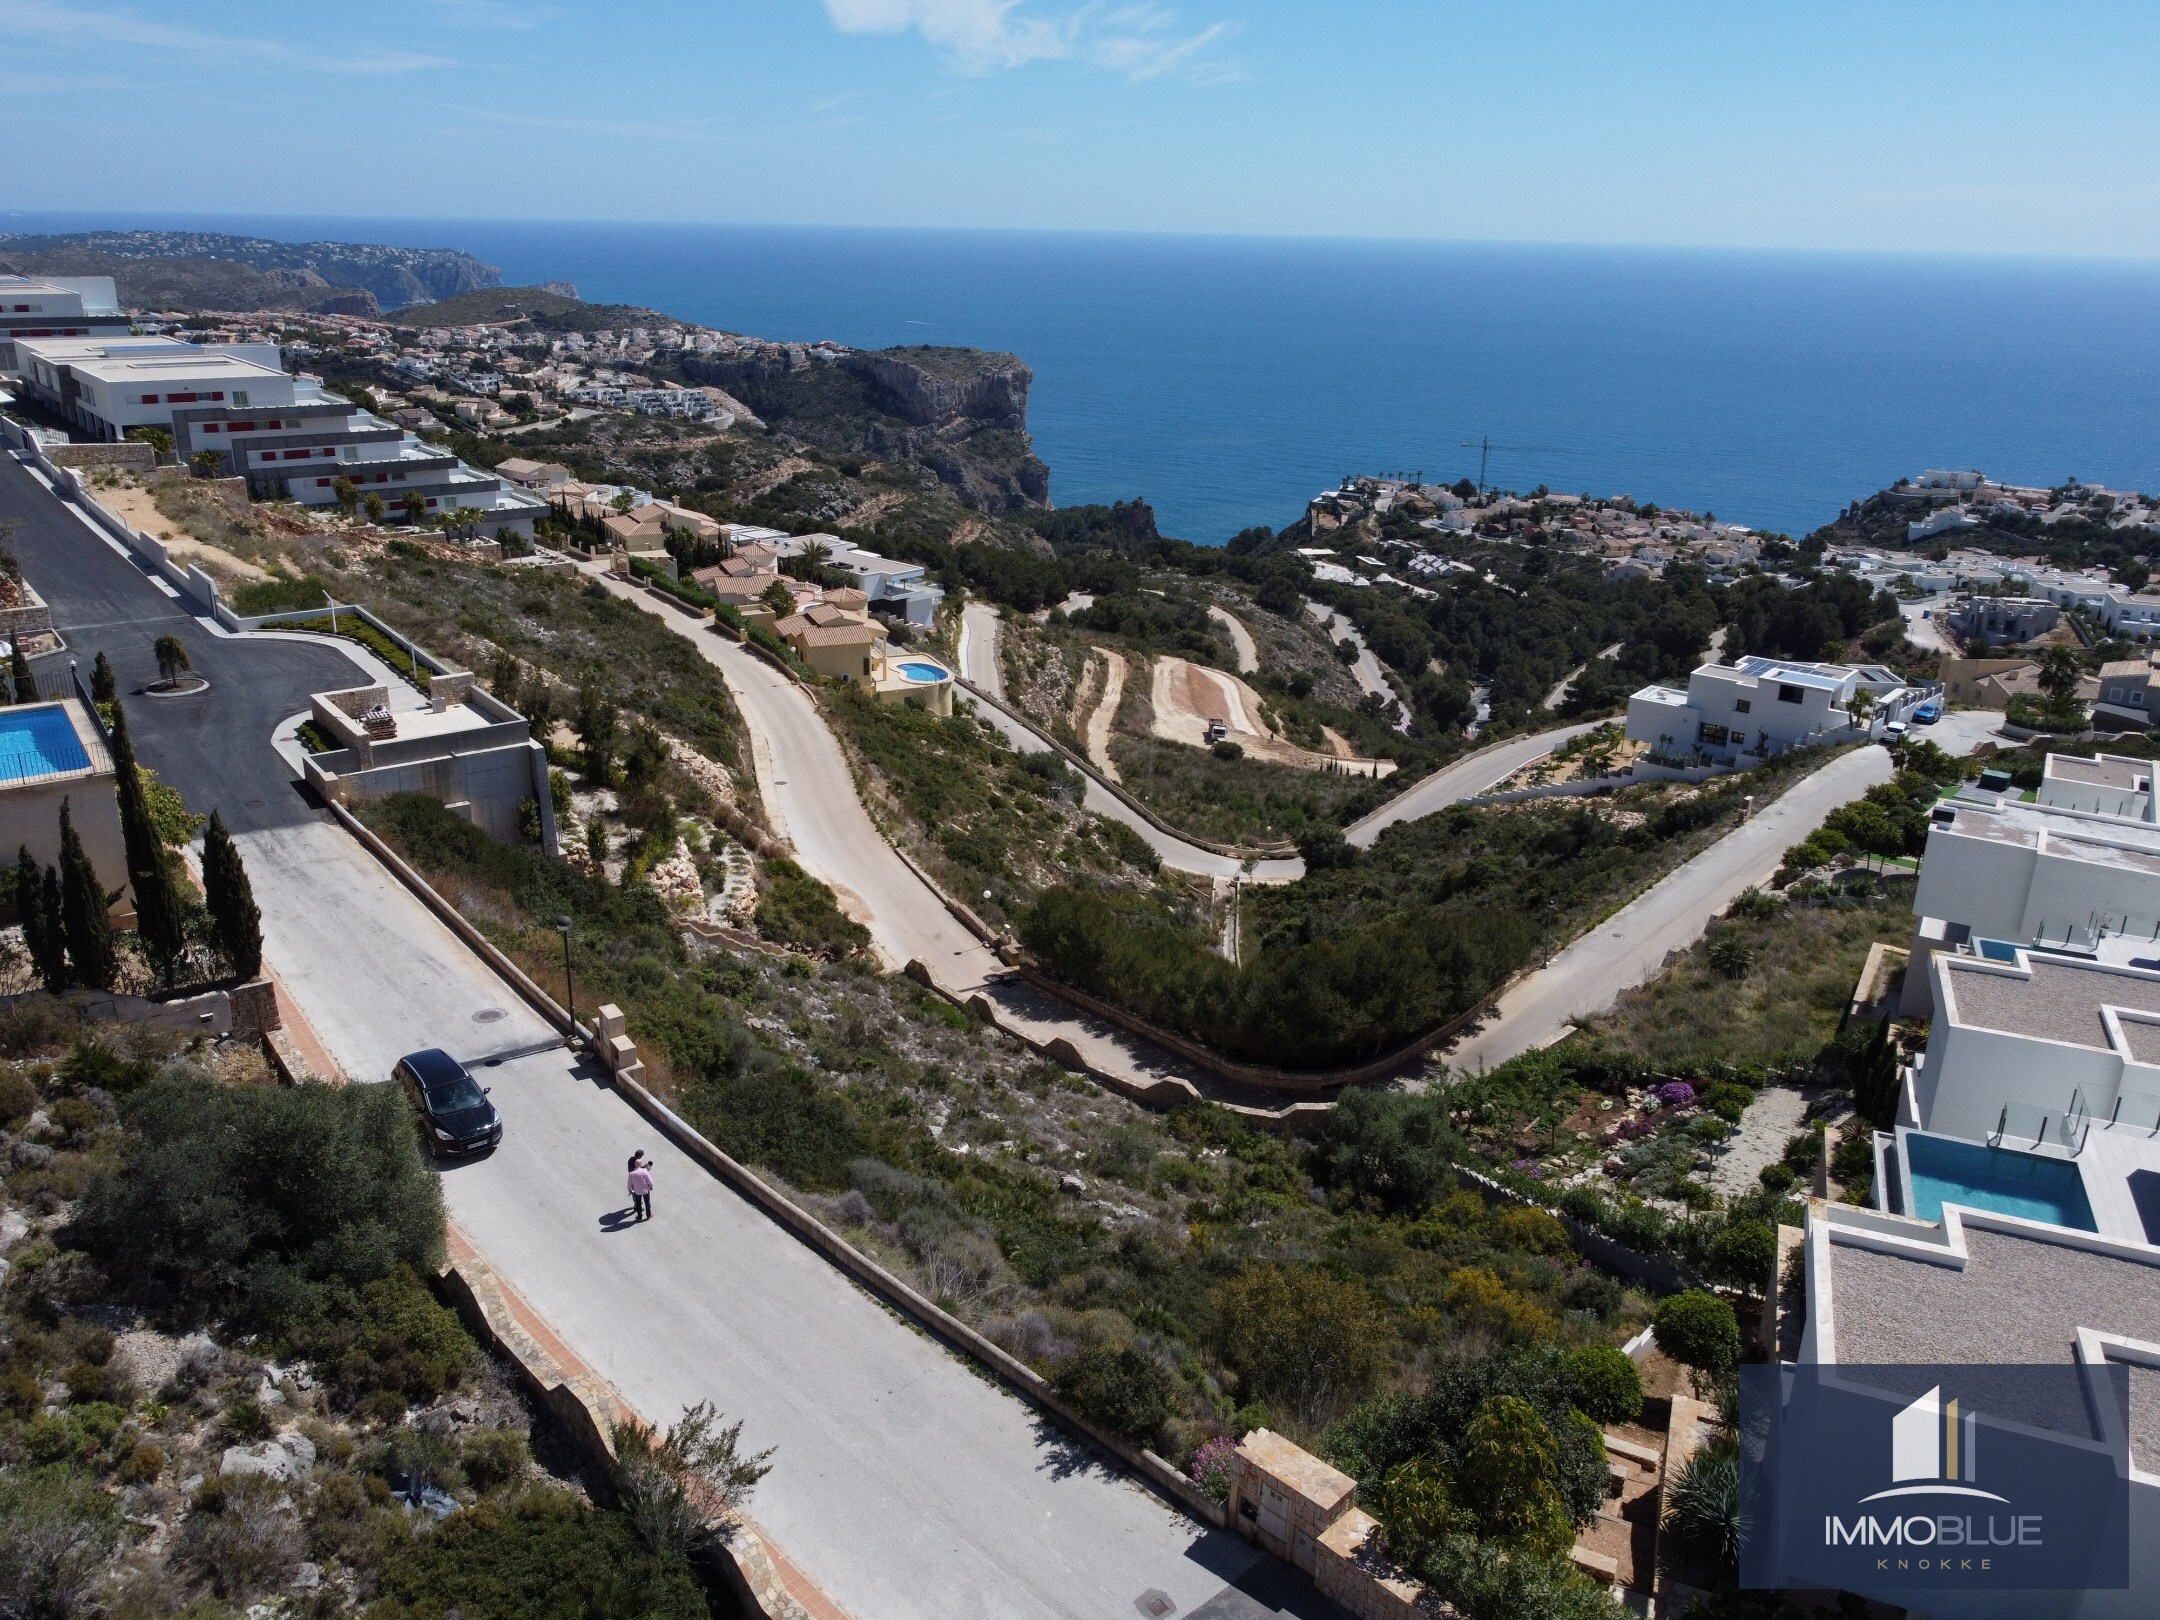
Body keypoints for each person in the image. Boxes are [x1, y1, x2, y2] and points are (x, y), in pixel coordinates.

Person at [627, 1151, 654, 1222]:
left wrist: (630, 1190)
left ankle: (639, 1217)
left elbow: (629, 1184)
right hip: (645, 1190)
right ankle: (648, 1214)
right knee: (647, 1203)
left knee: (638, 1204)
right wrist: (651, 1186)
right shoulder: (645, 1172)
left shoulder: (631, 1173)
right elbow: (650, 1181)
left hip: (636, 1191)